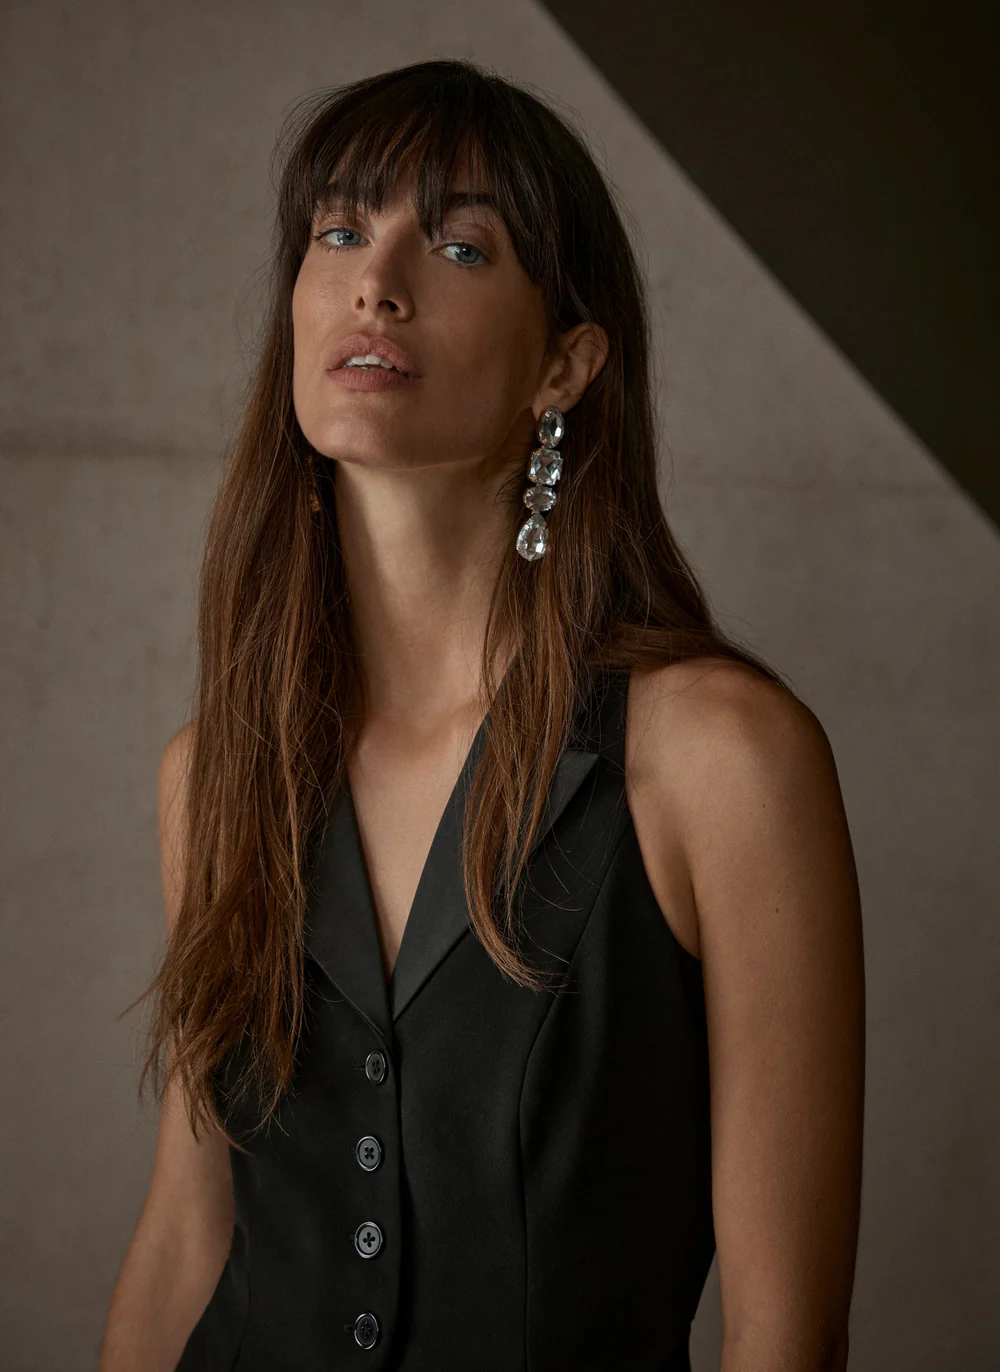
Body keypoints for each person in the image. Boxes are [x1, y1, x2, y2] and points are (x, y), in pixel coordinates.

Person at [98, 58, 864, 1372]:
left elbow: (786, 1333)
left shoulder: (722, 762)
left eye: (459, 246)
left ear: (564, 364)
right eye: (340, 230)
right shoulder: (214, 773)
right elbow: (186, 1236)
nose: (376, 282)